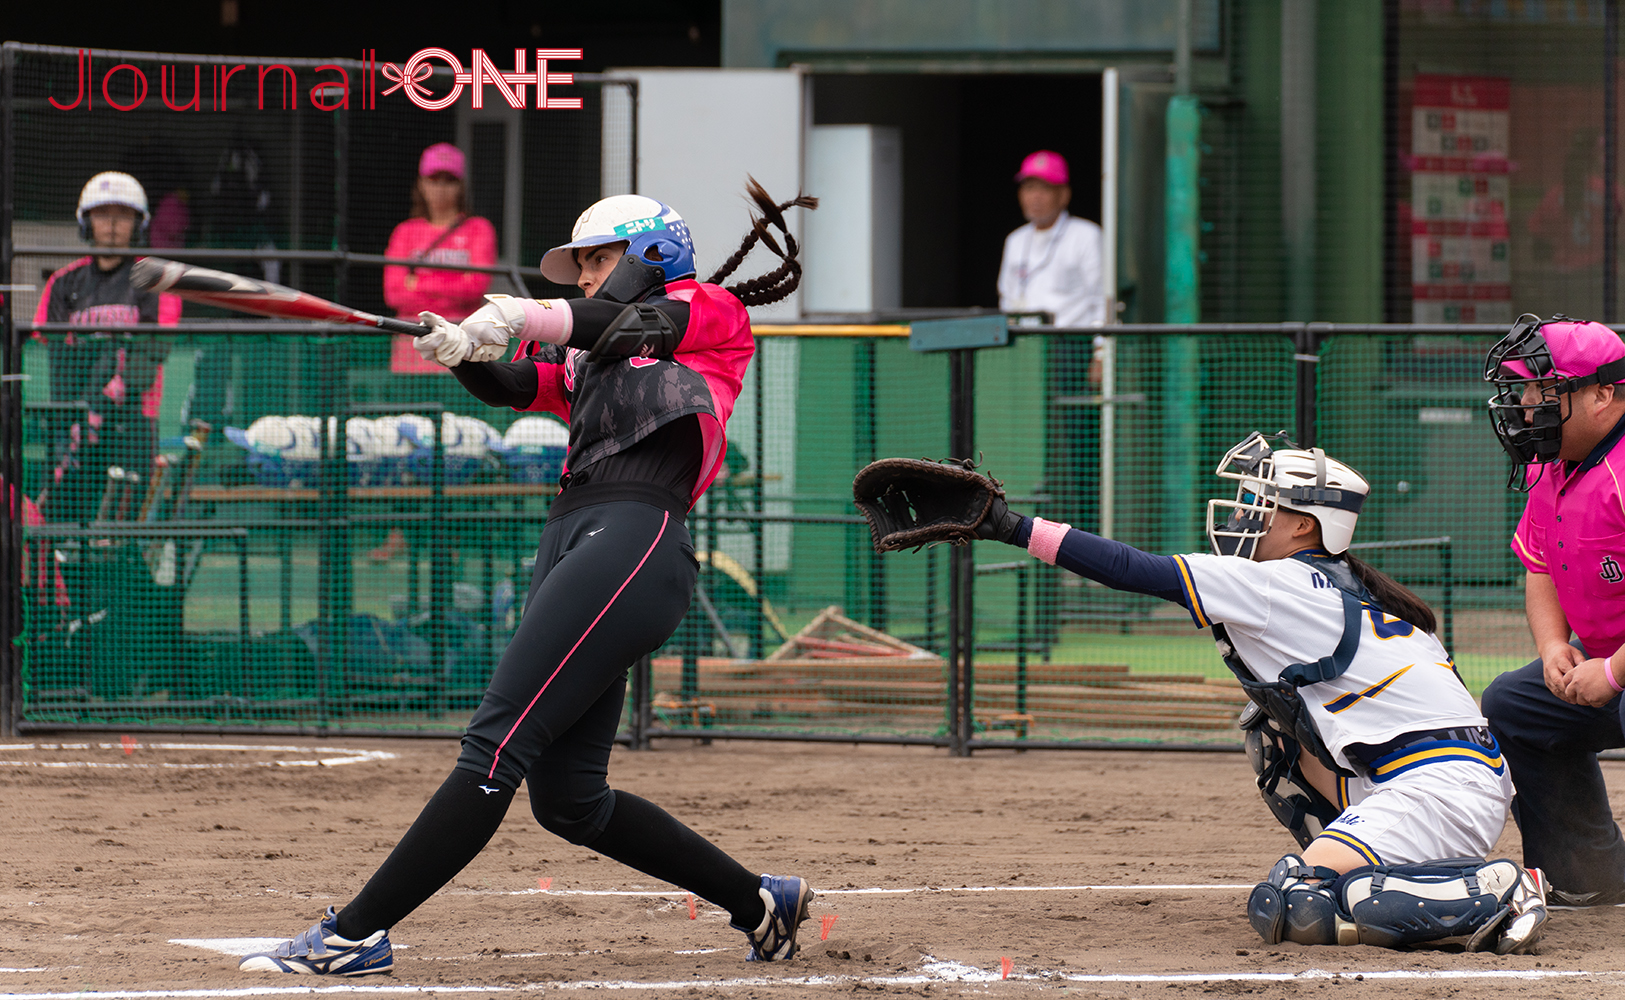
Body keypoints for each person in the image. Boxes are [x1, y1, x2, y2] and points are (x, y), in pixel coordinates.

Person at [240, 182, 818, 977]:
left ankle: (354, 934)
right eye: (577, 265)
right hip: (576, 536)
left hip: (635, 536)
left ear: (651, 253)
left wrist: (517, 314)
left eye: (596, 259)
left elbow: (627, 322)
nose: (581, 277)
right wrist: (460, 352)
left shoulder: (707, 310)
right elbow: (520, 384)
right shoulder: (586, 348)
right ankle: (760, 901)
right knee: (570, 801)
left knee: (492, 746)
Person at [956, 432, 1545, 952]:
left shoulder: (1281, 582)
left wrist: (1011, 528)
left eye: (1263, 504)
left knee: (1296, 898)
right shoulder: (1349, 590)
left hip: (1435, 788)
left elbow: (1136, 569)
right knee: (1270, 734)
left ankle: (1494, 893)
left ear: (1303, 526)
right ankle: (1396, 875)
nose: (1245, 515)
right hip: (1442, 780)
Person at [1479, 314, 1625, 907]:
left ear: (1604, 394)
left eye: (1546, 392)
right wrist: (1550, 648)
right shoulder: (1552, 464)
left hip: (1618, 668)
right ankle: (1590, 875)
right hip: (1605, 663)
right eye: (1528, 392)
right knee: (1513, 705)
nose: (1529, 406)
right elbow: (1539, 566)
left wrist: (1613, 672)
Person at [34, 171, 178, 525]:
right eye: (102, 214)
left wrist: (109, 393)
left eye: (123, 215)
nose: (112, 224)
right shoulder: (63, 282)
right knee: (64, 527)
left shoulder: (156, 277)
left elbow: (152, 355)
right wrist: (75, 418)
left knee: (118, 535)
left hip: (132, 424)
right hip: (74, 427)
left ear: (138, 224)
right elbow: (58, 358)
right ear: (87, 222)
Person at [382, 142, 498, 375]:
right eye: (434, 179)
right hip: (411, 356)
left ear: (461, 186)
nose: (441, 187)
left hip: (462, 352)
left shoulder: (479, 229)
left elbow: (475, 287)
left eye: (449, 180)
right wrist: (454, 284)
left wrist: (419, 285)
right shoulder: (405, 232)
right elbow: (393, 293)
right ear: (421, 184)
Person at [995, 150, 1106, 329]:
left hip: (1072, 344)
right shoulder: (1015, 240)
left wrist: (1100, 348)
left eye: (1045, 188)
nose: (1035, 196)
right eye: (1029, 187)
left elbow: (1101, 298)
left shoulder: (1087, 235)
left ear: (1064, 194)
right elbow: (1006, 297)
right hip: (1026, 343)